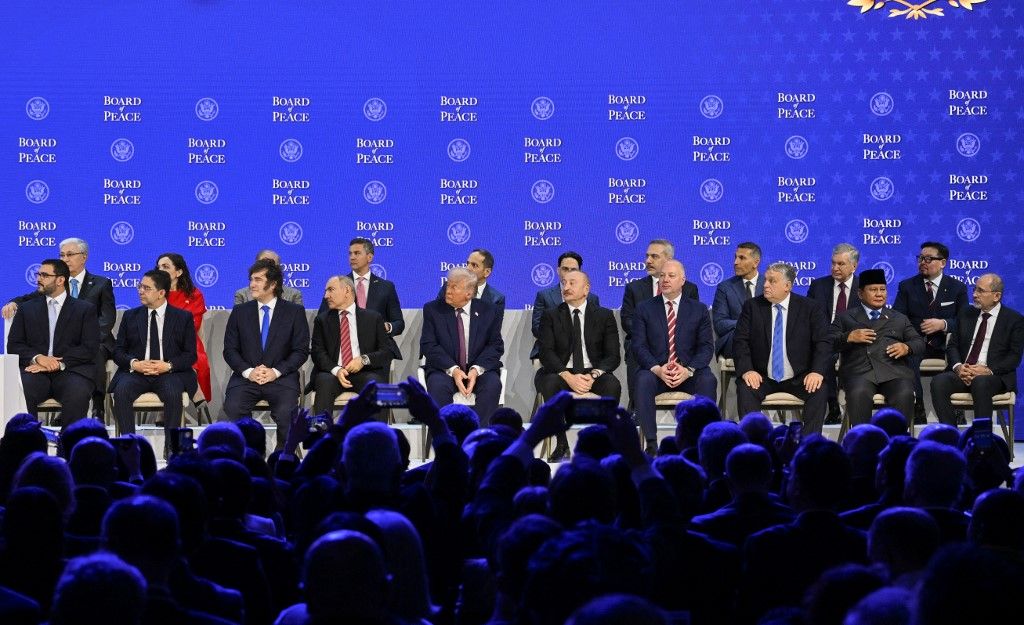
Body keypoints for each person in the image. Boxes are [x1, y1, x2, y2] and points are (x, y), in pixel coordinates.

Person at [3, 238, 115, 419]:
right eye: (62, 255)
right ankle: (28, 436)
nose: (65, 259)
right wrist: (39, 358)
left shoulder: (99, 287)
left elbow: (104, 323)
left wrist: (58, 361)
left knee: (84, 376)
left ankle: (97, 407)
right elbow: (15, 343)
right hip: (37, 368)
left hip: (76, 360)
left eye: (69, 254)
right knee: (21, 389)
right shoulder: (34, 303)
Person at [223, 258, 310, 449]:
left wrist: (275, 372)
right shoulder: (240, 312)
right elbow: (230, 350)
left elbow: (301, 350)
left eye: (258, 280)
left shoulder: (294, 312)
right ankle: (250, 454)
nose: (251, 285)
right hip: (246, 379)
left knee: (287, 414)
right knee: (233, 407)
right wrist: (249, 372)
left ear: (273, 284)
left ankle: (283, 457)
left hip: (281, 378)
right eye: (251, 279)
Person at [734, 262, 831, 433]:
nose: (765, 285)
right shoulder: (752, 306)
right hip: (762, 377)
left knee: (819, 388)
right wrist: (747, 370)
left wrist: (817, 371)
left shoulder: (810, 308)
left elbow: (823, 342)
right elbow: (740, 342)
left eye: (772, 281)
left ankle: (809, 443)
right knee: (745, 386)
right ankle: (754, 442)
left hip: (799, 377)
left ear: (787, 286)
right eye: (765, 280)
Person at [535, 270, 621, 461]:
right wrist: (568, 377)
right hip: (561, 373)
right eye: (564, 283)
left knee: (612, 385)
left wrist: (593, 376)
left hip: (593, 373)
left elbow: (613, 356)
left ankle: (602, 442)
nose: (566, 287)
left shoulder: (604, 315)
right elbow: (546, 353)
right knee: (549, 383)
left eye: (572, 283)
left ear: (586, 289)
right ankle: (562, 443)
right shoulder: (551, 315)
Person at [632, 260, 716, 454]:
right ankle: (651, 444)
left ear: (683, 280)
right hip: (657, 373)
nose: (665, 280)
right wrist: (657, 369)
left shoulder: (699, 309)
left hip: (688, 372)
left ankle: (701, 443)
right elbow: (638, 346)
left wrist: (688, 370)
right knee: (642, 379)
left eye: (671, 276)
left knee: (708, 380)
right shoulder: (644, 308)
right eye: (662, 276)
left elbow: (706, 347)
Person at [108, 269, 197, 451]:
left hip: (168, 373)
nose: (140, 291)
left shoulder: (183, 318)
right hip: (136, 372)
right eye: (140, 286)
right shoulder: (130, 316)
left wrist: (168, 366)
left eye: (146, 288)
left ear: (161, 293)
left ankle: (172, 450)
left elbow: (190, 355)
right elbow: (118, 351)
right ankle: (129, 448)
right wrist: (134, 364)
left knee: (173, 393)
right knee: (122, 391)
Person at [831, 269, 924, 426]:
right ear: (860, 294)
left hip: (894, 372)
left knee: (904, 393)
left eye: (883, 289)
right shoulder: (845, 317)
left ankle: (896, 439)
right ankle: (863, 438)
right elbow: (828, 342)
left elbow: (919, 342)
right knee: (859, 394)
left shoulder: (899, 318)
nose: (879, 294)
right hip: (860, 372)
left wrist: (906, 347)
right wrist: (848, 337)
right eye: (873, 290)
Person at [930, 273, 1024, 426]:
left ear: (996, 296)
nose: (974, 294)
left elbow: (1014, 357)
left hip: (994, 376)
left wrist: (988, 370)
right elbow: (952, 345)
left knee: (980, 382)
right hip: (964, 372)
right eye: (974, 289)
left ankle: (982, 437)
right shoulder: (966, 313)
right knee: (939, 382)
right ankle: (950, 434)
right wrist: (958, 367)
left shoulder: (1014, 320)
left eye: (980, 291)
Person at [893, 241, 969, 423]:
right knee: (908, 357)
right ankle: (918, 405)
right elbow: (898, 318)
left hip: (946, 343)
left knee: (958, 356)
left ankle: (956, 409)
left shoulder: (957, 288)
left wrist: (943, 324)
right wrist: (913, 332)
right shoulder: (907, 286)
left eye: (928, 259)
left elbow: (965, 322)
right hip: (918, 342)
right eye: (920, 258)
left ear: (943, 263)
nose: (922, 262)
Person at [620, 239, 699, 405]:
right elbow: (627, 321)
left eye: (654, 256)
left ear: (669, 260)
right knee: (636, 348)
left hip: (677, 346)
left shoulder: (689, 289)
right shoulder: (634, 288)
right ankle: (636, 407)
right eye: (647, 256)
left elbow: (692, 323)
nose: (648, 260)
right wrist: (655, 336)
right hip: (644, 345)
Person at [422, 267, 504, 423]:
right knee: (437, 386)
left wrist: (476, 370)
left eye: (454, 287)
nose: (448, 291)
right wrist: (453, 370)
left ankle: (477, 434)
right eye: (448, 285)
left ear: (469, 293)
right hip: (444, 370)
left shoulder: (489, 311)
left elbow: (495, 346)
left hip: (478, 371)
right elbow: (429, 345)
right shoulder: (433, 309)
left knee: (492, 385)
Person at [309, 276, 400, 417]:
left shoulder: (373, 318)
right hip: (333, 374)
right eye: (326, 291)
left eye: (331, 290)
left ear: (347, 291)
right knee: (323, 381)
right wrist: (336, 370)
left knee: (375, 385)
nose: (326, 296)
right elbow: (317, 352)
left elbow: (387, 351)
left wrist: (364, 360)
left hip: (365, 372)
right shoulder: (322, 320)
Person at [806, 242, 861, 422]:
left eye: (841, 264)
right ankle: (833, 405)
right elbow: (808, 317)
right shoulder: (818, 286)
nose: (835, 268)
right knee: (824, 354)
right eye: (833, 263)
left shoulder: (864, 288)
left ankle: (850, 400)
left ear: (854, 266)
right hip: (825, 339)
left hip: (853, 340)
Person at [318, 237, 404, 336]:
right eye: (350, 253)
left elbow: (399, 323)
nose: (352, 257)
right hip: (344, 341)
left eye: (357, 253)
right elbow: (321, 318)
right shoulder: (336, 285)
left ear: (369, 257)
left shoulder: (386, 287)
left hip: (377, 342)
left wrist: (387, 326)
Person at [155, 253, 212, 402]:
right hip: (158, 341)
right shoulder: (154, 293)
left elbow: (195, 326)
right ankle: (193, 400)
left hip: (188, 342)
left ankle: (181, 402)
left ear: (179, 272)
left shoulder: (194, 294)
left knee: (195, 361)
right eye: (158, 267)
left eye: (165, 267)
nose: (160, 270)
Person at [530, 251, 599, 359]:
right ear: (558, 270)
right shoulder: (544, 296)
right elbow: (537, 328)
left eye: (573, 270)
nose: (569, 273)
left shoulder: (591, 299)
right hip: (552, 350)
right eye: (565, 269)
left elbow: (596, 329)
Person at [713, 242, 764, 358]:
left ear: (756, 262)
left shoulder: (769, 285)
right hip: (735, 341)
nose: (735, 262)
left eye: (742, 258)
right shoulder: (725, 287)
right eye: (735, 257)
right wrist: (748, 323)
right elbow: (720, 324)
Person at [436, 248, 505, 323]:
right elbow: (436, 316)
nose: (468, 268)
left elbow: (494, 328)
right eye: (467, 264)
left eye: (474, 265)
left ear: (487, 272)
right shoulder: (448, 287)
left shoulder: (496, 299)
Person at [233, 249, 304, 306]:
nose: (267, 269)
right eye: (263, 265)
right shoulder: (242, 295)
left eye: (272, 266)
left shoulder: (293, 295)